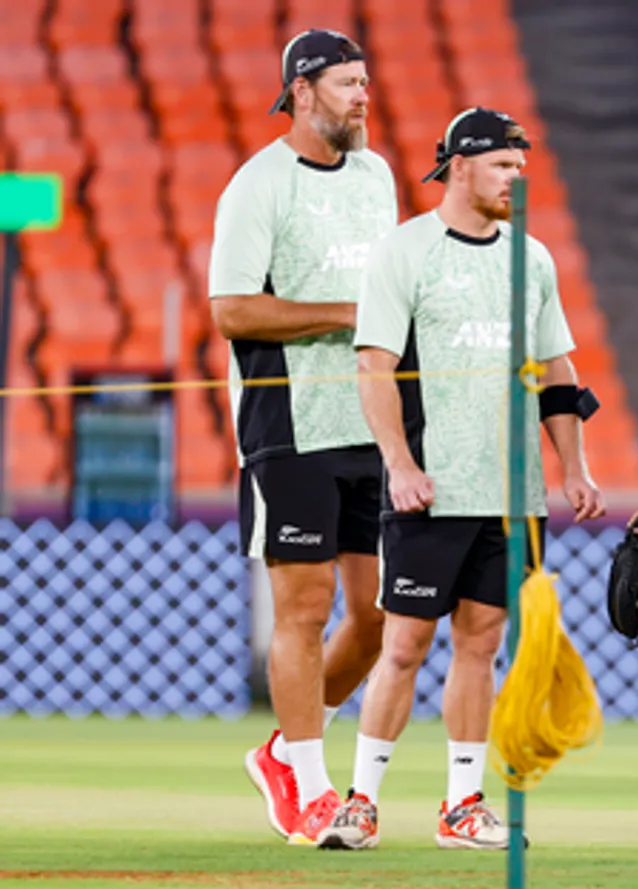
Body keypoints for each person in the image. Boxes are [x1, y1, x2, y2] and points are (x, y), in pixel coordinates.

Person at [315, 107, 605, 852]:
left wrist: (574, 467)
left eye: (520, 164)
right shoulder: (404, 251)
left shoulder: (531, 258)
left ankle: (462, 806)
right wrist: (401, 466)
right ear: (461, 165)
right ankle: (360, 803)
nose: (518, 176)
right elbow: (372, 365)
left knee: (481, 645)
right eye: (505, 164)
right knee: (404, 644)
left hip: (513, 495)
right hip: (431, 486)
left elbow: (560, 371)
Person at [208, 28, 398, 845]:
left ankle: (287, 749)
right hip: (287, 417)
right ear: (302, 89)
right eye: (348, 83)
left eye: (365, 82)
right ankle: (313, 789)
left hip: (367, 417)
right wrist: (354, 315)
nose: (363, 96)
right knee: (305, 604)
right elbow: (232, 310)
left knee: (383, 613)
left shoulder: (378, 174)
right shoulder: (257, 185)